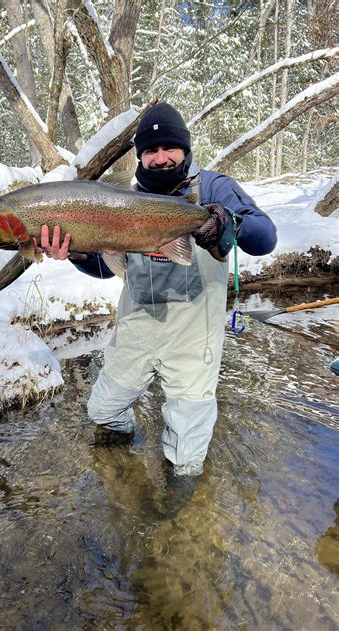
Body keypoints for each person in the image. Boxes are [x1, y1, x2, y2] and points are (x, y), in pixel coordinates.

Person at [38, 103, 277, 476]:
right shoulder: (121, 202)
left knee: (185, 460)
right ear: (140, 157)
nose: (161, 158)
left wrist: (226, 224)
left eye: (169, 148)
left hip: (194, 338)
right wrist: (77, 254)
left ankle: (180, 520)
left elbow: (265, 239)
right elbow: (105, 267)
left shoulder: (214, 187)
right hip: (137, 328)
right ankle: (124, 467)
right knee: (102, 411)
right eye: (151, 150)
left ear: (185, 148)